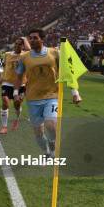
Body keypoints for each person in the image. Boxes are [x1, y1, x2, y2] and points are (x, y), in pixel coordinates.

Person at [15, 28, 82, 158]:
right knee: (38, 133)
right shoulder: (24, 57)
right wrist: (16, 93)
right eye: (31, 38)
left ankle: (53, 144)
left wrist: (75, 92)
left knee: (51, 124)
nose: (32, 40)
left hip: (52, 96)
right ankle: (47, 152)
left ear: (42, 39)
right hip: (33, 98)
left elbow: (67, 73)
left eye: (35, 38)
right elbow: (18, 77)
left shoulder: (55, 53)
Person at [0, 37, 30, 134]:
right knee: (5, 102)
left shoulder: (25, 55)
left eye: (20, 44)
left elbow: (30, 50)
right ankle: (4, 126)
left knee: (17, 104)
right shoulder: (7, 55)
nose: (17, 46)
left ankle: (17, 118)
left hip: (21, 84)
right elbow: (3, 67)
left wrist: (25, 39)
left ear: (23, 45)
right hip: (7, 83)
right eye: (16, 43)